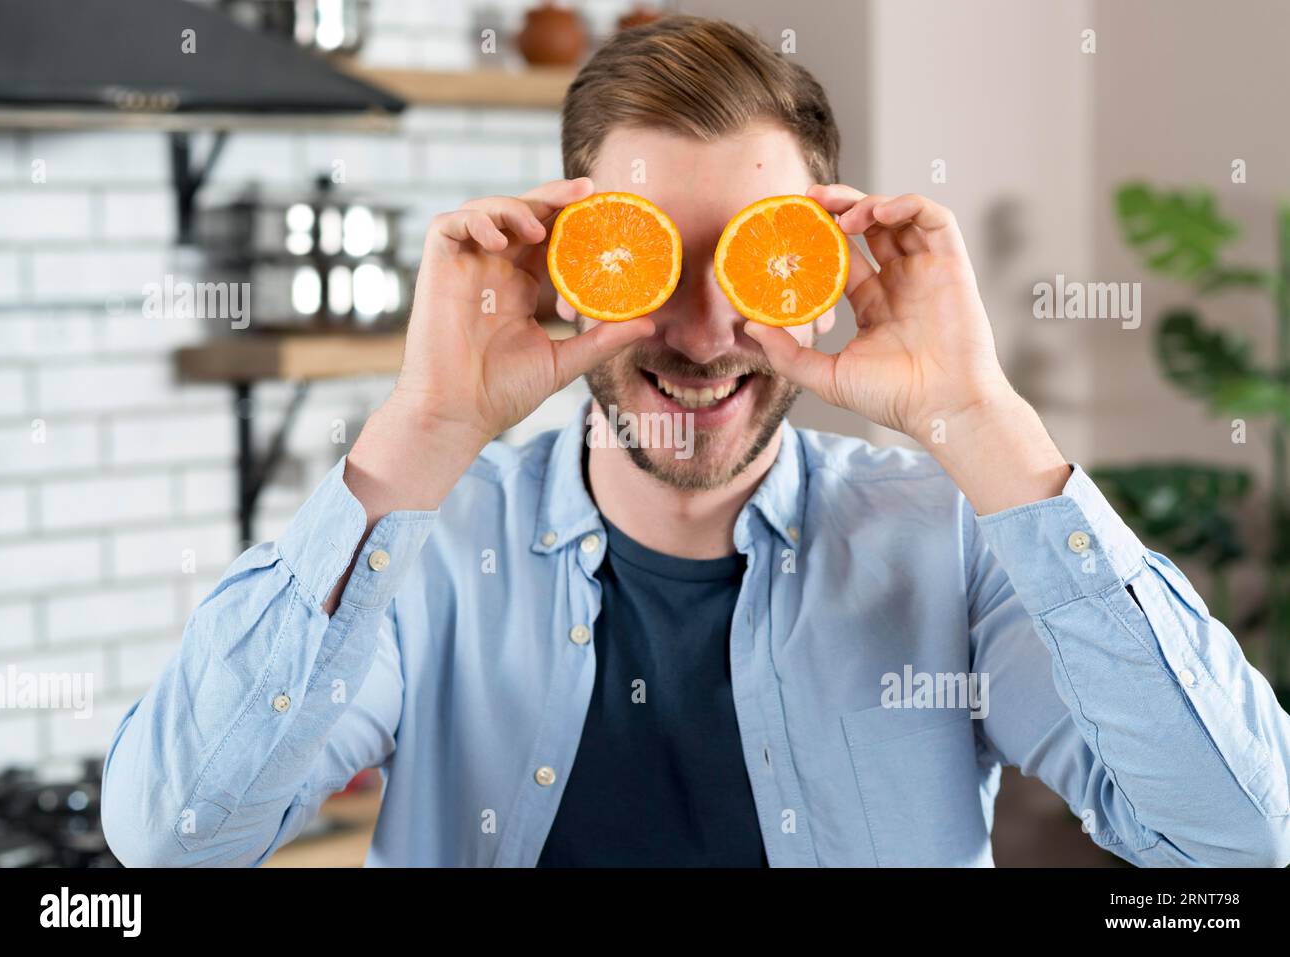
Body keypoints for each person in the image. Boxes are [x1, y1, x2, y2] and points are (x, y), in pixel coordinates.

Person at [102, 16, 1290, 867]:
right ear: (572, 268)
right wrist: (423, 426)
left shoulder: (947, 543)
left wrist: (980, 420)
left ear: (822, 271)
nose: (707, 329)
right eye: (647, 258)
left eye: (756, 260)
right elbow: (176, 838)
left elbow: (1237, 835)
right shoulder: (426, 544)